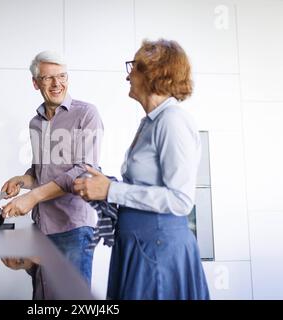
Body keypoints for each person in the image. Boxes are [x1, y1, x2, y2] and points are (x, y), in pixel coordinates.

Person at [73, 39, 210, 300]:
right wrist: (106, 186)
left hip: (158, 251)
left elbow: (181, 200)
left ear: (154, 72)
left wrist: (112, 190)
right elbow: (146, 187)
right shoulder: (150, 122)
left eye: (134, 67)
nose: (128, 74)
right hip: (141, 246)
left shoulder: (172, 122)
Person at [0, 50, 104, 288]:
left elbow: (84, 171)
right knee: (44, 294)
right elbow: (42, 171)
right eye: (48, 78)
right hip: (42, 227)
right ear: (36, 83)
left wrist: (33, 197)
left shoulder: (86, 114)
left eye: (62, 76)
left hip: (74, 227)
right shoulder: (35, 123)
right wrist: (23, 180)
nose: (57, 84)